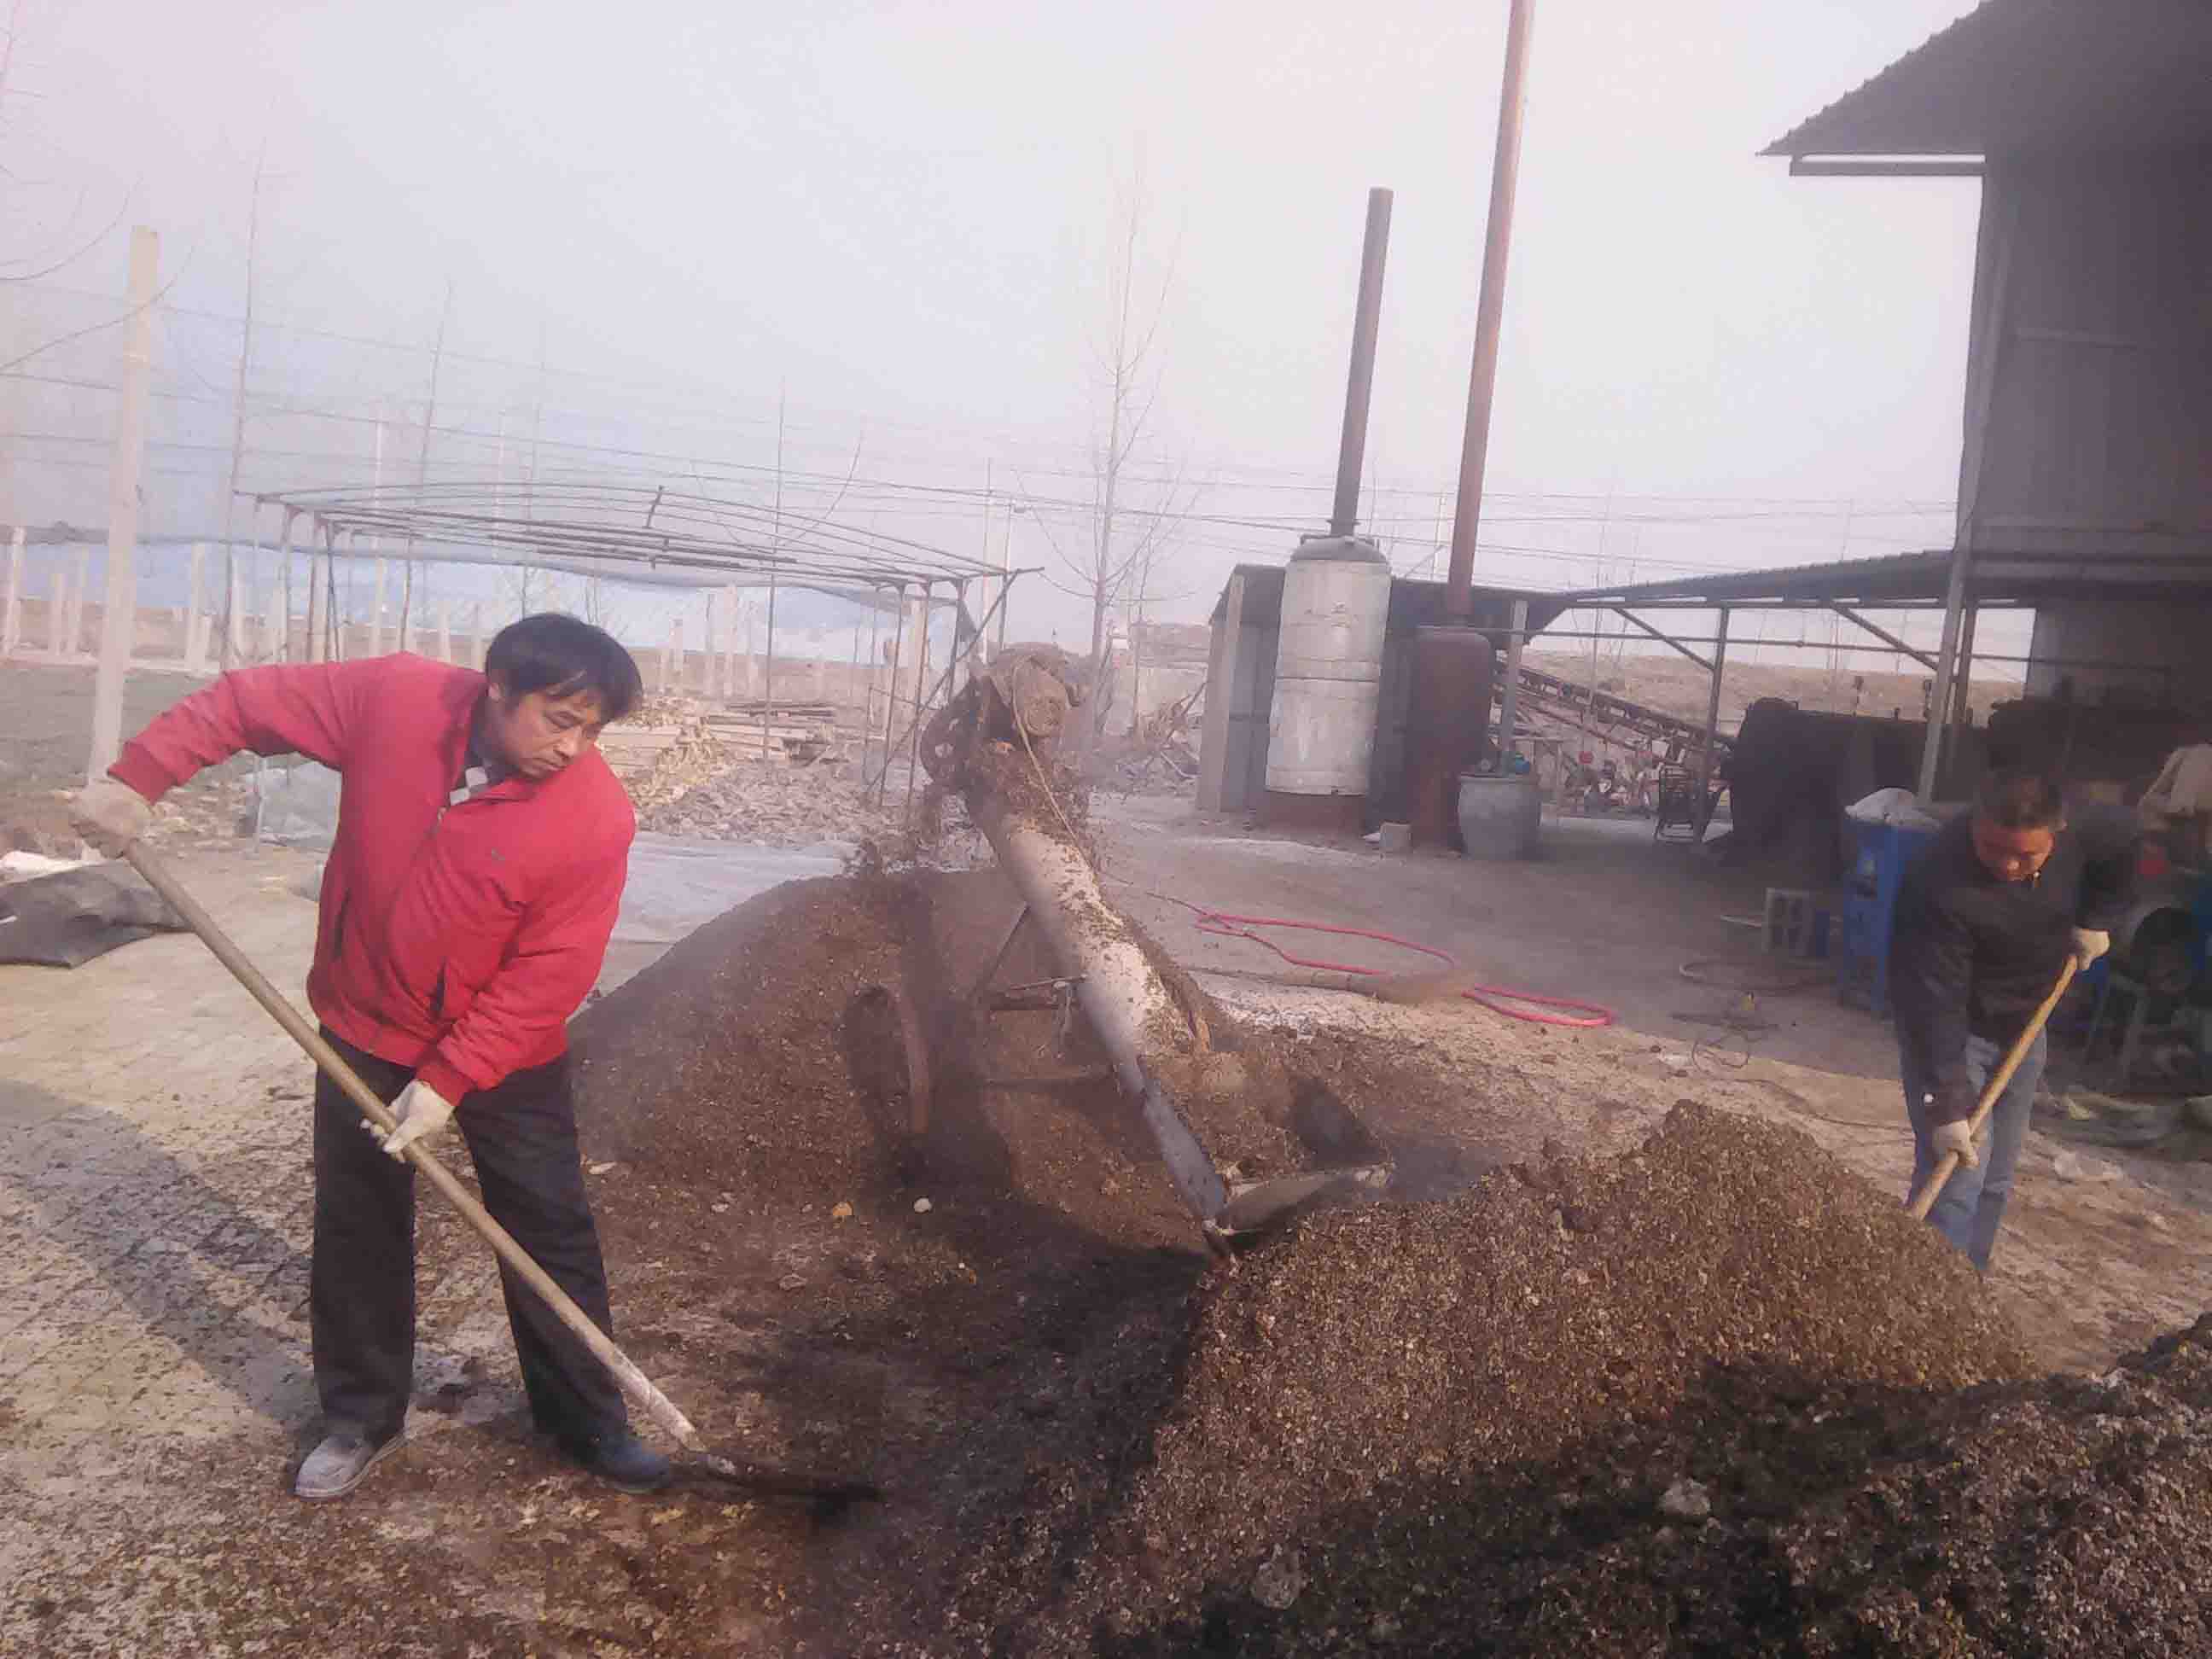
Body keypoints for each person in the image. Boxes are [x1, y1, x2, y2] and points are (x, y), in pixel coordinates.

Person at [72, 614, 664, 1500]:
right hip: (367, 1027)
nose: (573, 747)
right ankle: (358, 1416)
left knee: (546, 1226)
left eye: (592, 729)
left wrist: (453, 1079)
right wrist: (137, 780)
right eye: (559, 719)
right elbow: (246, 703)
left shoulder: (593, 816)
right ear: (498, 686)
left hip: (504, 1056)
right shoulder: (395, 700)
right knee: (358, 1225)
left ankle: (589, 1421)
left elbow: (553, 970)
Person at [1889, 769, 2135, 1270]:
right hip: (1957, 1034)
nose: (2006, 864)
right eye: (1992, 847)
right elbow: (1931, 1003)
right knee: (1956, 1179)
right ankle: (1932, 1298)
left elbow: (2126, 841)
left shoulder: (2088, 830)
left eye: (2026, 855)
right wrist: (1944, 1104)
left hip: (2027, 1025)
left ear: (2058, 835)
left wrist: (2097, 918)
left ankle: (1969, 1294)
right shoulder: (1937, 880)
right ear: (1976, 822)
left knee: (1997, 1178)